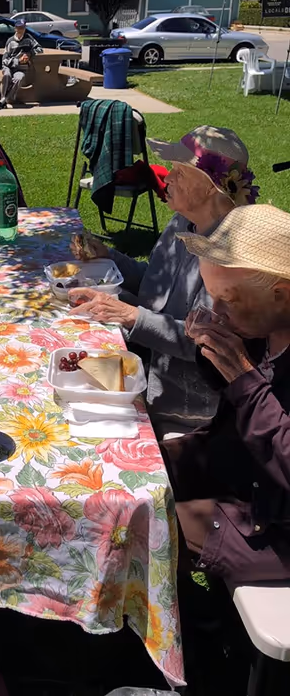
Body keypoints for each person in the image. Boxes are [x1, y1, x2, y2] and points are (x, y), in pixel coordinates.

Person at [70, 126, 258, 438]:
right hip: (145, 376)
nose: (166, 178)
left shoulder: (229, 255)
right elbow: (156, 286)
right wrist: (110, 256)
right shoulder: (183, 222)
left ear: (211, 186)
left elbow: (202, 344)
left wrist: (129, 315)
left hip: (188, 418)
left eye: (179, 172)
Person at [164, 204, 290, 582]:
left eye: (228, 300)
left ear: (282, 294)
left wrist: (244, 378)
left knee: (147, 524)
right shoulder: (267, 325)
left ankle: (195, 625)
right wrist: (213, 351)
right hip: (241, 469)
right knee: (132, 473)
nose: (216, 309)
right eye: (212, 296)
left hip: (276, 524)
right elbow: (235, 393)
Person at [0, 18, 42, 110]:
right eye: (19, 27)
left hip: (21, 69)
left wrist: (29, 54)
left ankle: (4, 100)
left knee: (19, 78)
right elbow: (4, 60)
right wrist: (18, 61)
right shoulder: (10, 41)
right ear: (15, 28)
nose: (21, 30)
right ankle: (4, 99)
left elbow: (39, 49)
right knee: (7, 75)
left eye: (23, 27)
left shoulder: (29, 39)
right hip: (8, 67)